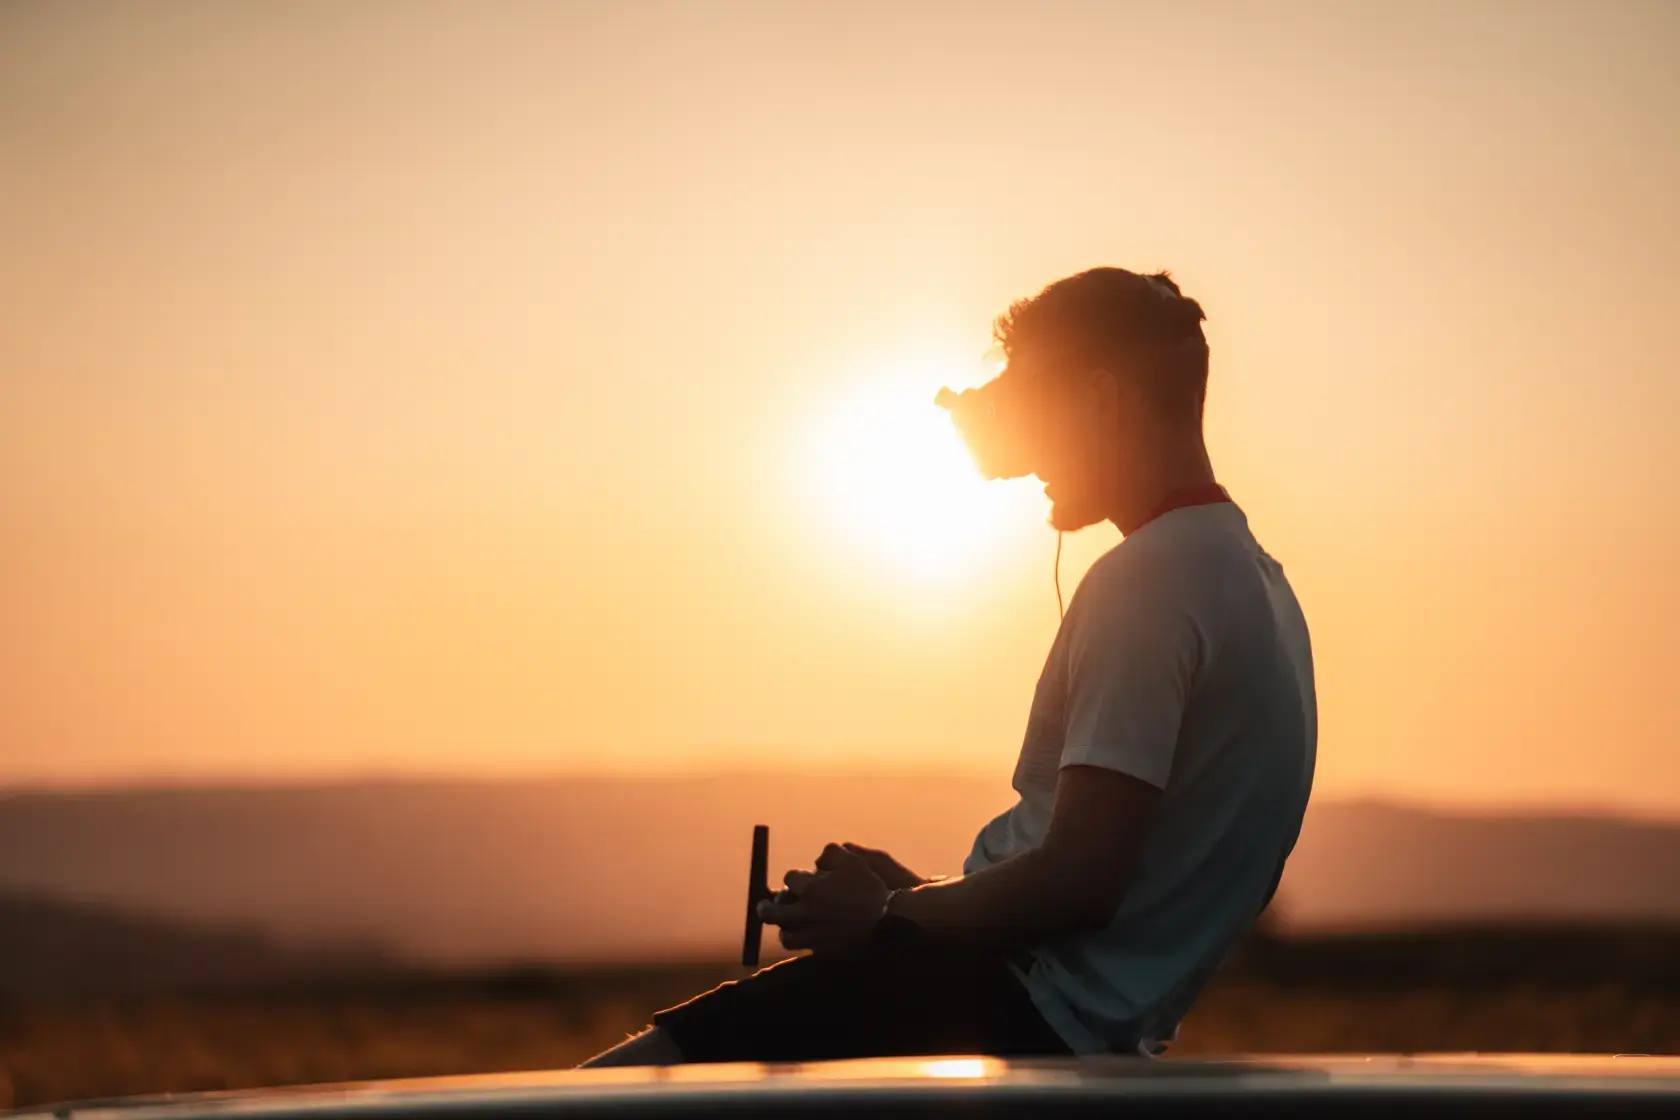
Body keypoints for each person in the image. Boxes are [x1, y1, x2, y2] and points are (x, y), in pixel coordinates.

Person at [581, 267, 1317, 1066]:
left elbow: (1083, 882)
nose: (1027, 446)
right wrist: (917, 890)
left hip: (985, 1005)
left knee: (606, 1094)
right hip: (1077, 1036)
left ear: (1102, 400)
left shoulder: (1148, 582)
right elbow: (1122, 886)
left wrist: (890, 913)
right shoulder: (1259, 587)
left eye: (1037, 401)